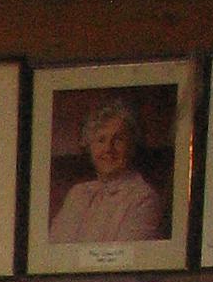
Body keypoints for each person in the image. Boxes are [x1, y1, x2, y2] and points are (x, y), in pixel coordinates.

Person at [49, 97, 163, 246]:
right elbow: (54, 248)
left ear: (132, 146)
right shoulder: (77, 193)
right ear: (90, 147)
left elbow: (126, 255)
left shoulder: (144, 198)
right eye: (101, 140)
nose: (108, 148)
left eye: (118, 139)